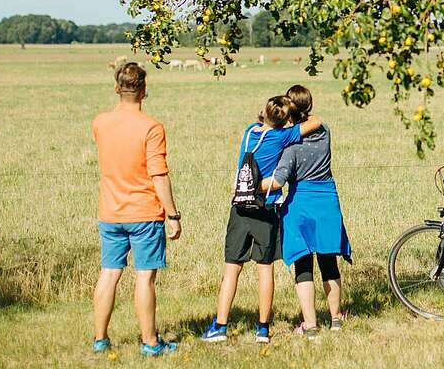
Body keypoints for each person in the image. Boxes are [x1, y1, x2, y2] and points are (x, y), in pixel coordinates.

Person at [202, 96, 323, 344]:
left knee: (232, 268)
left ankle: (221, 325)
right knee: (265, 268)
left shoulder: (249, 133)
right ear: (285, 120)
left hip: (240, 208)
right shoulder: (282, 137)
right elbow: (316, 123)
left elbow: (261, 121)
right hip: (266, 207)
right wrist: (295, 119)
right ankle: (263, 328)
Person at [91, 62, 182, 357]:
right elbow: (158, 173)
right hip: (144, 213)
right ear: (144, 90)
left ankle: (100, 339)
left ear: (118, 89)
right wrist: (173, 214)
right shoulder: (151, 127)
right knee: (145, 276)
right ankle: (150, 342)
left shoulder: (100, 122)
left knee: (109, 273)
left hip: (110, 212)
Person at [261, 85, 351, 340]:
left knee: (303, 264)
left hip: (300, 204)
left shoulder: (290, 141)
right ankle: (336, 318)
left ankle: (310, 324)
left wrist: (251, 184)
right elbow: (315, 122)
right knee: (328, 261)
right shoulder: (325, 131)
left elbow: (279, 180)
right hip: (327, 201)